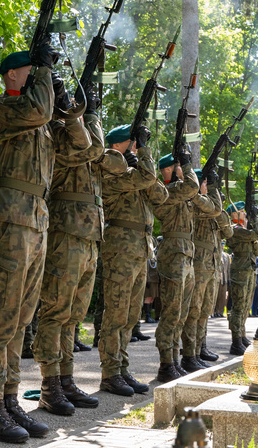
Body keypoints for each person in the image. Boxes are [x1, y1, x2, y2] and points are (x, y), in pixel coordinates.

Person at [0, 45, 87, 443]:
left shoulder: (41, 122)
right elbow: (37, 110)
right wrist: (43, 75)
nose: (40, 76)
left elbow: (83, 149)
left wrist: (69, 108)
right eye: (32, 70)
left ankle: (8, 399)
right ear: (12, 76)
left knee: (21, 317)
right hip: (8, 217)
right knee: (2, 313)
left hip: (36, 219)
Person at [32, 89, 107, 415]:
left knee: (74, 316)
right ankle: (50, 385)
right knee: (56, 313)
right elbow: (90, 146)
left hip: (87, 237)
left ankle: (65, 379)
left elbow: (99, 149)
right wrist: (80, 113)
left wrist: (87, 113)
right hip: (66, 235)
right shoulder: (58, 136)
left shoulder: (82, 144)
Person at [98, 123, 166, 393]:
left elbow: (161, 194)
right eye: (133, 143)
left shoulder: (136, 174)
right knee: (116, 311)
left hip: (139, 248)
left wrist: (140, 160)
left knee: (130, 315)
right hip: (120, 248)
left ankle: (122, 368)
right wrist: (146, 153)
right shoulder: (109, 174)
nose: (136, 148)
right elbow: (147, 177)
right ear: (117, 146)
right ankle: (110, 371)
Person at [153, 151, 202, 381]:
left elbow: (207, 204)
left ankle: (173, 358)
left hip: (186, 254)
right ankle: (165, 363)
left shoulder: (183, 191)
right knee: (171, 311)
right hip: (173, 253)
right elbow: (192, 186)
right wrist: (188, 167)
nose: (181, 170)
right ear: (167, 170)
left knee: (181, 313)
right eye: (176, 167)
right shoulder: (167, 190)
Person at [179, 170, 224, 373]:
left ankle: (198, 350)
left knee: (204, 311)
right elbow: (214, 209)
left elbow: (228, 229)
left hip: (210, 266)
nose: (206, 185)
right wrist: (210, 191)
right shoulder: (194, 201)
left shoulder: (206, 204)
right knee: (194, 311)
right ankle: (190, 354)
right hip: (198, 264)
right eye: (205, 182)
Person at [225, 203, 258, 354]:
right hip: (240, 270)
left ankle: (241, 336)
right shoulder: (235, 229)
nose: (244, 214)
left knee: (246, 305)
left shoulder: (245, 230)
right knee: (238, 307)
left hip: (249, 269)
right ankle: (236, 341)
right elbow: (257, 236)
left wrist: (254, 238)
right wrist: (255, 220)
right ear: (234, 215)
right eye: (241, 212)